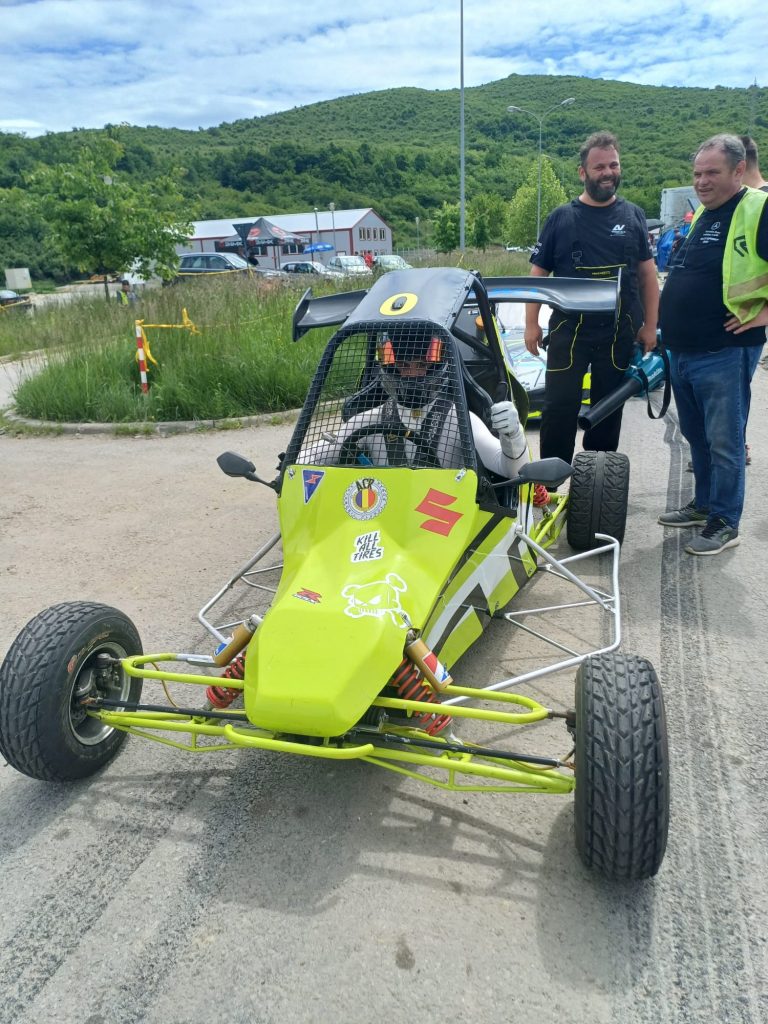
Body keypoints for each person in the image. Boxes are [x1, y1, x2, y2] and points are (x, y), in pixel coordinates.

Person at [657, 134, 768, 555]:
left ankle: (725, 521)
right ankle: (704, 505)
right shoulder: (704, 211)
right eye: (697, 173)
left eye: (712, 173)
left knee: (725, 442)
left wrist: (764, 315)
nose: (702, 182)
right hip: (684, 350)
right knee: (697, 437)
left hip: (723, 351)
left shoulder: (757, 209)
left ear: (739, 170)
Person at [524, 131, 660, 465]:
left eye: (613, 165)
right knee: (558, 408)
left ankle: (597, 481)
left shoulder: (634, 216)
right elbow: (537, 275)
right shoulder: (561, 218)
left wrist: (651, 327)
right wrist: (531, 324)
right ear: (583, 172)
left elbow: (647, 276)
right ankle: (551, 485)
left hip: (618, 333)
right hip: (569, 334)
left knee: (607, 409)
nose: (608, 172)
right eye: (599, 167)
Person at [298, 329, 533, 486]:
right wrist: (293, 463)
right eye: (403, 365)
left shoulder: (460, 419)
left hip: (446, 529)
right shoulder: (368, 419)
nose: (411, 374)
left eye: (420, 364)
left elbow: (512, 471)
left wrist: (512, 435)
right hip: (382, 526)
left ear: (436, 366)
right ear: (390, 366)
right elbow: (321, 452)